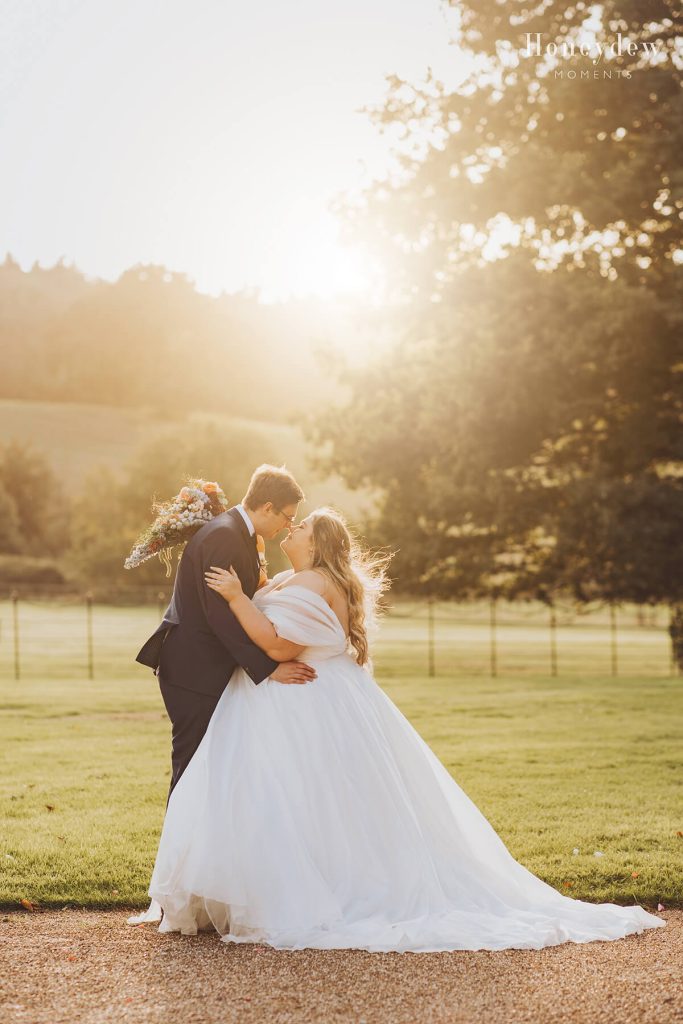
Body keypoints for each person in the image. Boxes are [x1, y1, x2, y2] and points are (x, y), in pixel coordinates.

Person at [139, 507, 666, 952]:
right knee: (321, 802)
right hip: (333, 699)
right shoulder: (312, 581)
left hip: (302, 698)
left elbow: (278, 647)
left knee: (292, 796)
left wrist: (234, 597)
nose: (290, 530)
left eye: (300, 528)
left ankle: (299, 891)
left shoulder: (310, 582)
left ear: (316, 543)